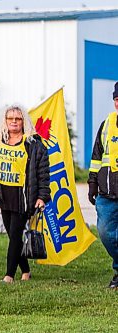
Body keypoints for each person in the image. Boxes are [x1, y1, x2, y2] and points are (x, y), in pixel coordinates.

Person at [0, 105, 50, 283]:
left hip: (24, 197)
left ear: (24, 121)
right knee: (12, 234)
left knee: (16, 234)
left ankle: (9, 275)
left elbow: (43, 173)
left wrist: (42, 197)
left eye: (18, 119)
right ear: (5, 121)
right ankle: (25, 270)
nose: (14, 122)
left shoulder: (33, 144)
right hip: (3, 195)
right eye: (10, 119)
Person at [88, 81, 118, 289]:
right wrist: (92, 183)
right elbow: (97, 157)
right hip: (107, 194)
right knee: (106, 234)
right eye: (117, 100)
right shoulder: (107, 123)